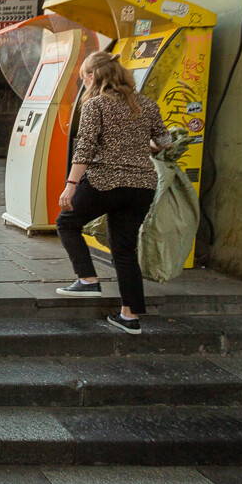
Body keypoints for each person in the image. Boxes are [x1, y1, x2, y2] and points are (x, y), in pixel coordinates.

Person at [56, 50, 171, 334]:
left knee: (66, 222)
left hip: (104, 183)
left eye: (84, 77)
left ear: (93, 76)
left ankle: (87, 279)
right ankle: (129, 317)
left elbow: (84, 148)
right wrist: (141, 147)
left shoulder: (96, 105)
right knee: (124, 250)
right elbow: (164, 140)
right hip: (142, 187)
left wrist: (70, 186)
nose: (84, 83)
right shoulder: (146, 104)